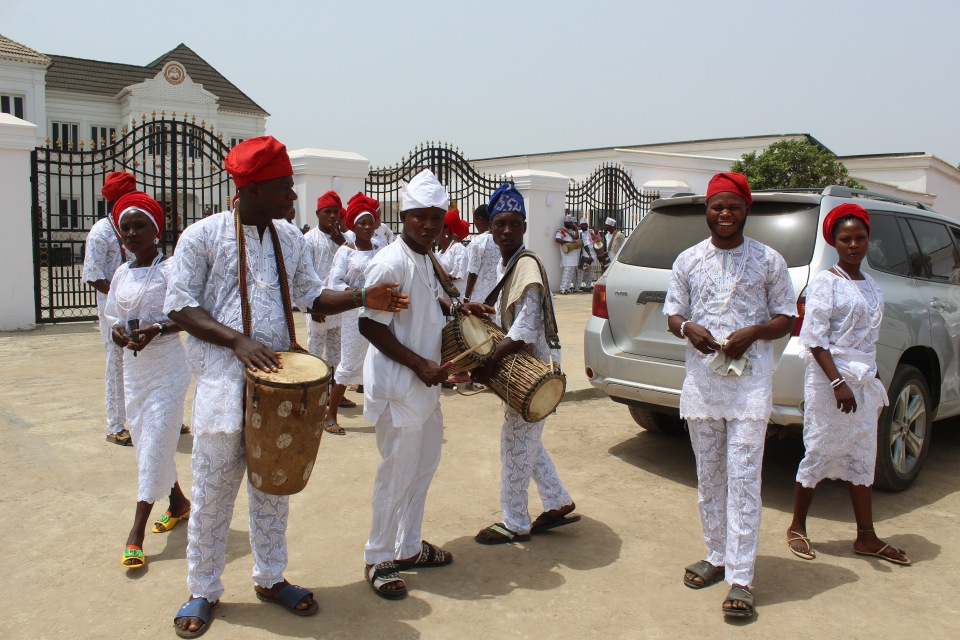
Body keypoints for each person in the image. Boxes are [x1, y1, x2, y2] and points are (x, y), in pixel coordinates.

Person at [164, 136, 408, 637]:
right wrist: (237, 342)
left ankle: (270, 578)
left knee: (273, 486)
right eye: (282, 189)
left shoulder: (288, 238)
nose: (292, 199)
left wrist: (365, 294)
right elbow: (180, 305)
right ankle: (203, 588)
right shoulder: (202, 235)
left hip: (279, 388)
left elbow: (312, 296)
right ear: (251, 188)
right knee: (213, 493)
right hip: (220, 383)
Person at [664, 172, 796, 619]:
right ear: (707, 210)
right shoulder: (687, 260)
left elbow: (786, 318)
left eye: (733, 207)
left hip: (749, 387)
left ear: (746, 211)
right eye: (717, 207)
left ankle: (741, 576)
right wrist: (687, 327)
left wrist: (756, 332)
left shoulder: (769, 260)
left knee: (743, 479)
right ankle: (716, 555)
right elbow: (672, 312)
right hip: (703, 386)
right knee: (710, 477)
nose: (724, 215)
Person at [786, 203, 910, 566]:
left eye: (860, 237)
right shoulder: (825, 282)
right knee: (820, 450)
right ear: (835, 242)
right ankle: (796, 526)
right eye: (845, 238)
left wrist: (870, 375)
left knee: (862, 454)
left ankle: (866, 537)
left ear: (869, 239)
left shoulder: (871, 285)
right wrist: (838, 381)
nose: (853, 244)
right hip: (830, 381)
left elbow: (867, 337)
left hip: (862, 382)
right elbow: (815, 339)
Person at [359, 169, 457, 601]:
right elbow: (369, 324)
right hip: (402, 384)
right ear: (404, 215)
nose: (430, 225)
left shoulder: (425, 258)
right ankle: (378, 556)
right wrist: (420, 365)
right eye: (421, 217)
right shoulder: (391, 261)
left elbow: (422, 305)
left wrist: (455, 307)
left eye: (436, 218)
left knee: (424, 466)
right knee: (396, 472)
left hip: (425, 385)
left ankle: (409, 546)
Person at [469, 182, 579, 545]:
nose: (506, 230)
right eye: (500, 223)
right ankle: (558, 500)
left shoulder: (526, 265)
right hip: (526, 366)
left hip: (531, 370)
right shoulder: (511, 263)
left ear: (524, 226)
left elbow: (525, 326)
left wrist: (488, 365)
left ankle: (515, 521)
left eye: (513, 224)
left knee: (514, 443)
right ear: (490, 225)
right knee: (526, 440)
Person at [104, 191, 191, 570]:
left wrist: (158, 328)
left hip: (168, 370)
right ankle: (178, 502)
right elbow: (111, 319)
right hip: (134, 371)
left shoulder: (171, 271)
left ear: (156, 230)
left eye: (140, 226)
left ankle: (136, 531)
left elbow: (189, 316)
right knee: (147, 442)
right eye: (126, 227)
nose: (132, 233)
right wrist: (118, 335)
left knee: (154, 441)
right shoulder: (122, 273)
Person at [84, 171, 136, 445]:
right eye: (126, 197)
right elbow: (93, 274)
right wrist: (120, 295)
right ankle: (116, 424)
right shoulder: (101, 232)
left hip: (140, 306)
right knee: (117, 364)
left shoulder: (137, 225)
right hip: (113, 310)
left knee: (148, 361)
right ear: (114, 199)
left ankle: (153, 417)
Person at [325, 193, 383, 434]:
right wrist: (358, 293)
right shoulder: (346, 252)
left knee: (379, 361)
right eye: (362, 223)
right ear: (353, 225)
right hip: (354, 313)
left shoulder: (382, 248)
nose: (367, 227)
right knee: (348, 362)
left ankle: (381, 415)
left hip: (378, 313)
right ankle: (330, 415)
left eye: (370, 222)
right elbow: (334, 282)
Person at [303, 190, 353, 410]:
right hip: (319, 306)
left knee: (337, 353)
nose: (332, 216)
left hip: (340, 305)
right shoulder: (309, 239)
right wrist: (313, 304)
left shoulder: (347, 238)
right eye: (327, 212)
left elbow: (354, 263)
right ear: (317, 214)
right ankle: (313, 396)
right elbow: (305, 274)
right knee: (315, 351)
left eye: (335, 212)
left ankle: (336, 395)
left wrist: (340, 239)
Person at [463, 204, 501, 315]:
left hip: (480, 297)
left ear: (480, 220)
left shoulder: (478, 241)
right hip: (499, 295)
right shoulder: (503, 240)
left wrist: (466, 297)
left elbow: (473, 272)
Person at [436, 208, 470, 296]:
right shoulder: (439, 253)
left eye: (439, 227)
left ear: (446, 231)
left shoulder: (458, 249)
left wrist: (439, 277)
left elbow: (456, 274)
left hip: (456, 299)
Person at [554, 214, 581, 294]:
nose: (571, 224)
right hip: (566, 252)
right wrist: (568, 242)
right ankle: (562, 288)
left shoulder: (571, 231)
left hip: (573, 253)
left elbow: (576, 238)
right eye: (570, 223)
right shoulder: (561, 230)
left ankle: (567, 288)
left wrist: (576, 229)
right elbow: (557, 239)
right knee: (567, 270)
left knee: (571, 270)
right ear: (565, 223)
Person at [575, 217, 598, 292]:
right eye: (582, 225)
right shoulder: (580, 233)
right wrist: (589, 255)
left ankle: (588, 286)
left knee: (591, 271)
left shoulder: (591, 231)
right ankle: (578, 287)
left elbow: (596, 240)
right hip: (585, 256)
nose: (584, 226)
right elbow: (584, 245)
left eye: (585, 225)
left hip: (593, 254)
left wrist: (593, 233)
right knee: (582, 271)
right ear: (580, 226)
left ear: (587, 225)